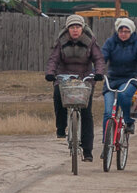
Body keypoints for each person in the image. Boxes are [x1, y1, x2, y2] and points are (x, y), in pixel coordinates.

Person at [45, 14, 105, 162]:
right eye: (72, 27)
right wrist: (50, 73)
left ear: (82, 28)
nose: (75, 30)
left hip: (84, 78)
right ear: (68, 29)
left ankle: (88, 151)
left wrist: (98, 73)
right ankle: (61, 128)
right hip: (64, 76)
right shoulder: (61, 41)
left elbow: (98, 59)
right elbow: (53, 59)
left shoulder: (90, 41)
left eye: (78, 27)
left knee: (86, 113)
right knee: (58, 95)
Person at [100, 17, 137, 136]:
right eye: (121, 31)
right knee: (108, 112)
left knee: (123, 95)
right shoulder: (110, 42)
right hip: (112, 79)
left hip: (130, 79)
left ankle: (129, 121)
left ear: (131, 32)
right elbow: (102, 59)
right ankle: (106, 146)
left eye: (126, 31)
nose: (123, 34)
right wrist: (96, 72)